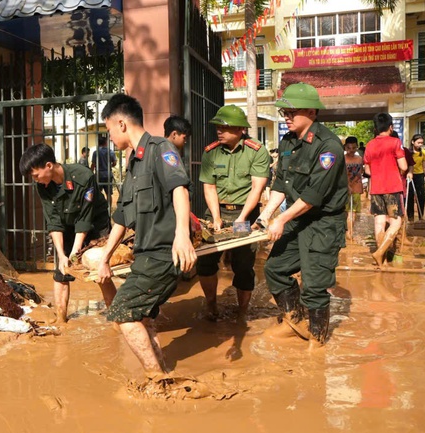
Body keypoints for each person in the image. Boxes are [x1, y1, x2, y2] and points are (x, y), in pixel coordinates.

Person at [96, 93, 196, 377]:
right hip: (144, 256)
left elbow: (180, 189)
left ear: (122, 124)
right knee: (143, 319)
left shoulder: (160, 148)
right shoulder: (133, 164)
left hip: (163, 254)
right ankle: (163, 370)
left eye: (109, 130)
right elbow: (121, 220)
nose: (110, 137)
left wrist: (182, 236)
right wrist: (105, 258)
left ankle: (156, 379)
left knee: (121, 313)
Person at [255, 82, 348, 348]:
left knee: (315, 286)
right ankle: (296, 322)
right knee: (274, 268)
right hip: (298, 218)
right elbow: (282, 184)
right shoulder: (287, 141)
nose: (286, 116)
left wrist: (281, 220)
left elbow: (313, 196)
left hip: (323, 223)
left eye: (292, 111)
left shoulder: (328, 147)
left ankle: (316, 343)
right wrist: (266, 215)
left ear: (312, 112)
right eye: (284, 111)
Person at [19, 143, 117, 322]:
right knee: (61, 273)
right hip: (69, 223)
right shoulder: (43, 185)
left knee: (100, 273)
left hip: (95, 223)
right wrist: (63, 255)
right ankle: (61, 321)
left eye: (36, 175)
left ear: (48, 166)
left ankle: (118, 319)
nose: (35, 180)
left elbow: (85, 218)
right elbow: (53, 221)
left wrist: (75, 251)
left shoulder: (83, 176)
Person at [197, 105, 269, 321]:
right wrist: (216, 217)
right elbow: (209, 187)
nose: (219, 131)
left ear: (240, 129)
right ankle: (211, 305)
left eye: (225, 127)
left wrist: (241, 219)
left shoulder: (256, 151)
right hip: (216, 211)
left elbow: (257, 188)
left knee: (243, 264)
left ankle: (242, 312)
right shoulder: (211, 152)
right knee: (206, 261)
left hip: (243, 214)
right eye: (218, 126)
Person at [364, 113, 408, 266]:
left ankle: (381, 262)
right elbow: (404, 166)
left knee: (379, 223)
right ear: (391, 127)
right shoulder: (395, 142)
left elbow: (368, 171)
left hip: (376, 188)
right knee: (396, 222)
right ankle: (380, 252)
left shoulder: (369, 145)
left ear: (375, 128)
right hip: (392, 187)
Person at [344, 137, 364, 240]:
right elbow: (340, 175)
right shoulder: (343, 159)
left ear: (357, 147)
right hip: (345, 189)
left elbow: (361, 172)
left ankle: (351, 231)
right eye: (349, 148)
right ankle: (347, 230)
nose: (351, 150)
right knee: (346, 211)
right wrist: (347, 186)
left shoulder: (359, 159)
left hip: (356, 188)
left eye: (353, 148)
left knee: (354, 211)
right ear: (345, 147)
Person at [407, 134, 425, 221]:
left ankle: (421, 216)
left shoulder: (423, 153)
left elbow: (424, 167)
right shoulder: (409, 153)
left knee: (421, 196)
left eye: (421, 143)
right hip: (410, 176)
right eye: (418, 142)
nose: (420, 144)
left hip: (420, 176)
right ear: (413, 142)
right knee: (410, 197)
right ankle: (410, 217)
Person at [90, 133, 117, 201]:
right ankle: (109, 208)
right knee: (108, 193)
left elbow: (93, 164)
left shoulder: (95, 152)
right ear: (105, 143)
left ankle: (99, 208)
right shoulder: (110, 152)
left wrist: (91, 173)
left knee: (98, 193)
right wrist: (109, 165)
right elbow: (114, 163)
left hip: (99, 174)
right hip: (108, 174)